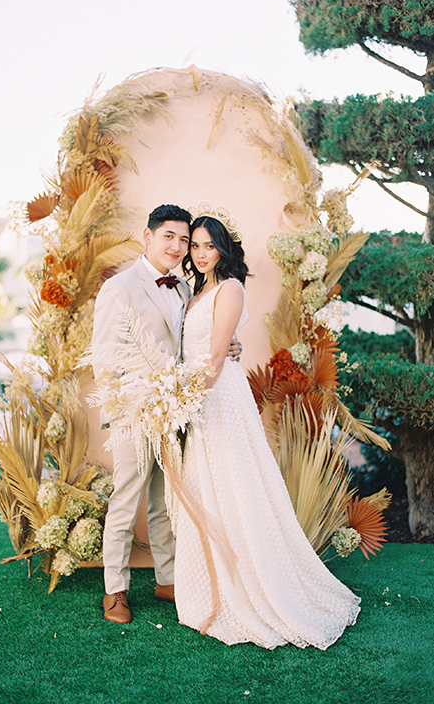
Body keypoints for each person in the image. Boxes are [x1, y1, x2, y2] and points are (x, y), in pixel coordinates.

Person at [174, 213, 361, 650]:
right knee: (207, 489)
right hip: (198, 397)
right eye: (195, 246)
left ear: (223, 248)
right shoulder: (196, 290)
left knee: (237, 487)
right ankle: (211, 584)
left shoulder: (230, 288)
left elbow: (218, 355)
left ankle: (258, 588)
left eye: (208, 245)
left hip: (217, 398)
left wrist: (183, 402)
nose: (201, 254)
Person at [92, 204, 240, 625]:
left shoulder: (184, 288)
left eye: (183, 239)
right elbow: (104, 359)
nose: (177, 247)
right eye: (169, 237)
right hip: (135, 413)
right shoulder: (119, 288)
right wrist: (126, 411)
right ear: (148, 235)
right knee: (125, 501)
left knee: (162, 500)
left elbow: (194, 343)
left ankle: (167, 579)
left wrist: (233, 347)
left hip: (177, 411)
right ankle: (115, 591)